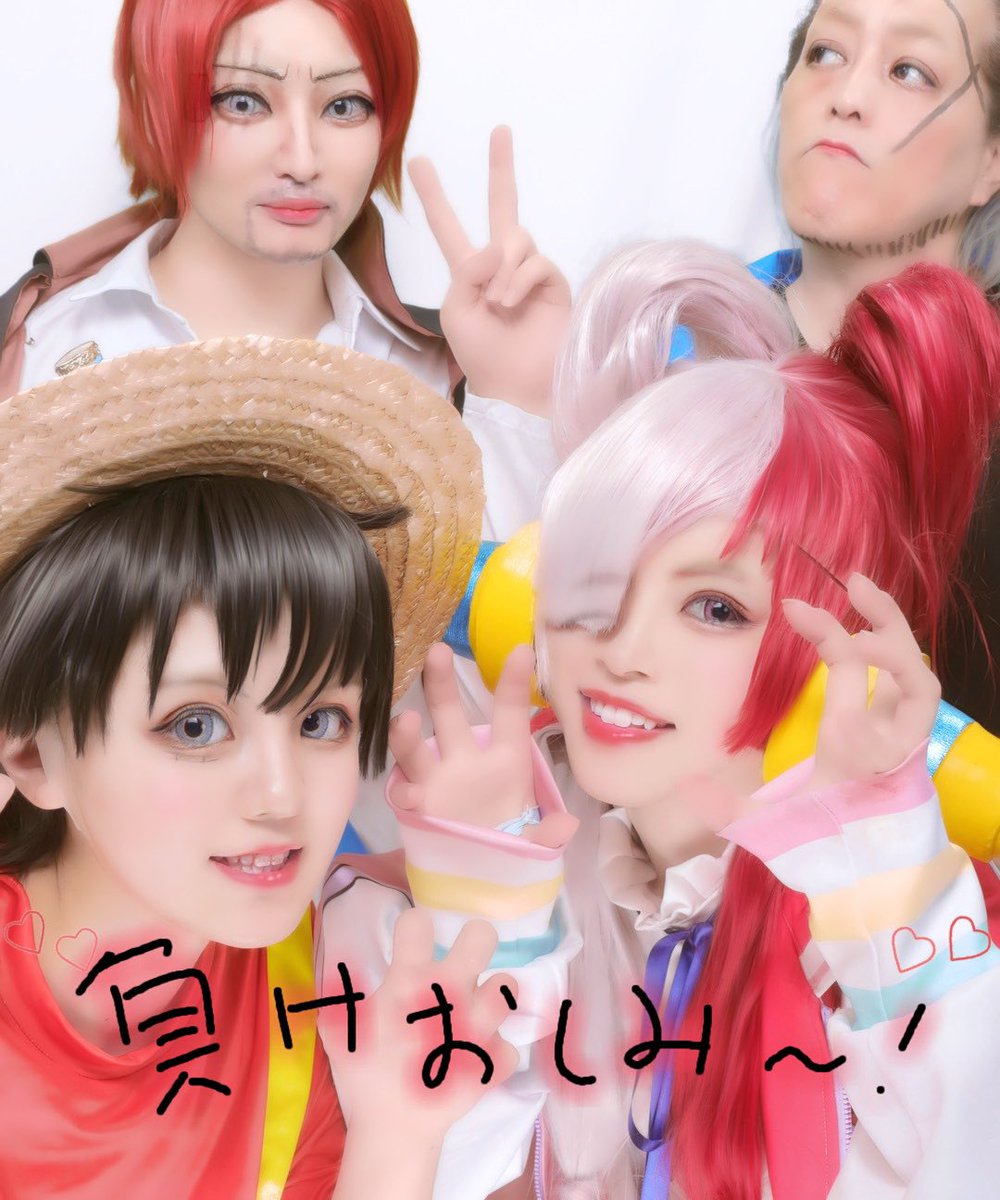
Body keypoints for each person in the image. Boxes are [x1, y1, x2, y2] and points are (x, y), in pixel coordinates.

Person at [369, 240, 1000, 1198]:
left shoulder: (914, 941)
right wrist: (489, 921)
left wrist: (883, 871)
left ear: (840, 656)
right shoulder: (496, 874)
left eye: (714, 607)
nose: (620, 648)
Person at [0, 0, 570, 848]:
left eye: (345, 104)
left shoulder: (441, 381)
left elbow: (517, 686)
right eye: (243, 100)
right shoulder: (39, 356)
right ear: (159, 100)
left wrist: (519, 397)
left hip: (374, 904)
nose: (302, 158)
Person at [0, 336, 523, 1199]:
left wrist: (398, 1138)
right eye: (196, 725)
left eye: (321, 720)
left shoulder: (326, 996)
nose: (283, 796)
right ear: (30, 754)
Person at [765, 0, 1000, 730]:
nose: (847, 95)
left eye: (909, 70)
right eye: (826, 52)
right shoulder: (672, 347)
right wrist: (514, 399)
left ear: (992, 161)